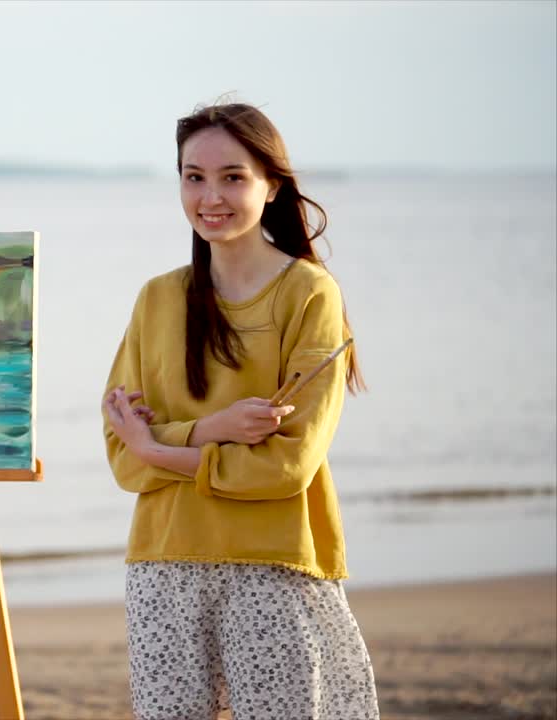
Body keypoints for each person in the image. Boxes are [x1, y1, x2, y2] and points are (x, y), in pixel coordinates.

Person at [101, 102, 380, 719]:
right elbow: (123, 456)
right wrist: (212, 430)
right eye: (193, 176)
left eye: (233, 176)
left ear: (271, 184)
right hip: (163, 563)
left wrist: (158, 447)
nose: (210, 197)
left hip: (273, 565)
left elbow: (287, 467)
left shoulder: (309, 293)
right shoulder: (157, 299)